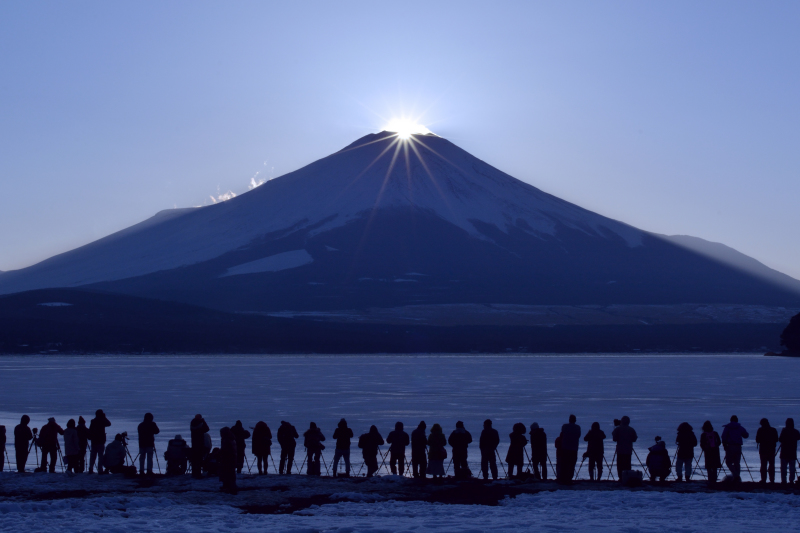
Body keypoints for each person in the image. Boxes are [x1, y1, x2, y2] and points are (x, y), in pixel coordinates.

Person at [721, 415, 749, 481]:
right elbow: (746, 435)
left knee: (728, 462)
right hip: (738, 446)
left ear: (730, 420)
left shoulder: (727, 427)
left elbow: (723, 436)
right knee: (737, 462)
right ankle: (737, 476)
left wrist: (724, 444)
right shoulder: (740, 427)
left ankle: (735, 475)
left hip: (730, 446)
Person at [755, 418, 779, 484]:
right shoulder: (773, 430)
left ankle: (763, 480)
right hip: (771, 450)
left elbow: (757, 440)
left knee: (763, 465)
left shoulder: (760, 430)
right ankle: (772, 480)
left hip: (763, 450)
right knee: (771, 465)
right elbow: (776, 439)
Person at [559, 415, 581, 483]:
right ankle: (569, 478)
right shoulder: (577, 427)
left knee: (564, 464)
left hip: (565, 448)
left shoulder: (564, 426)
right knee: (572, 464)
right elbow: (578, 436)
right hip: (574, 448)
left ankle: (563, 478)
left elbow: (562, 435)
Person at [89, 409, 111, 474]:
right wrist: (104, 417)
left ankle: (91, 468)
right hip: (101, 441)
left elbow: (90, 430)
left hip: (94, 441)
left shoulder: (93, 421)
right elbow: (109, 423)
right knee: (100, 456)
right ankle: (100, 469)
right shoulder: (102, 421)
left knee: (93, 455)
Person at [779, 418, 800, 484]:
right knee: (792, 468)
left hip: (784, 452)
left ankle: (784, 480)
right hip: (792, 452)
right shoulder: (795, 431)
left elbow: (780, 439)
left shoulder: (784, 431)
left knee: (783, 468)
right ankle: (791, 480)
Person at [219, 427, 238, 493]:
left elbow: (226, 450)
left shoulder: (227, 440)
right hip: (230, 458)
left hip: (228, 459)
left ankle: (230, 487)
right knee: (229, 473)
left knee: (228, 473)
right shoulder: (230, 439)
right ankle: (227, 486)